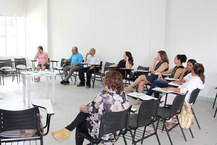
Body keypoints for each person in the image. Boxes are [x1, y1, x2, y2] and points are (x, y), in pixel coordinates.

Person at [52, 71, 130, 144]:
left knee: (81, 121)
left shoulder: (103, 96)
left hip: (102, 133)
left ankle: (69, 128)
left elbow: (85, 109)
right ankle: (68, 128)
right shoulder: (123, 94)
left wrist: (83, 107)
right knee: (89, 112)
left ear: (107, 81)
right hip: (116, 130)